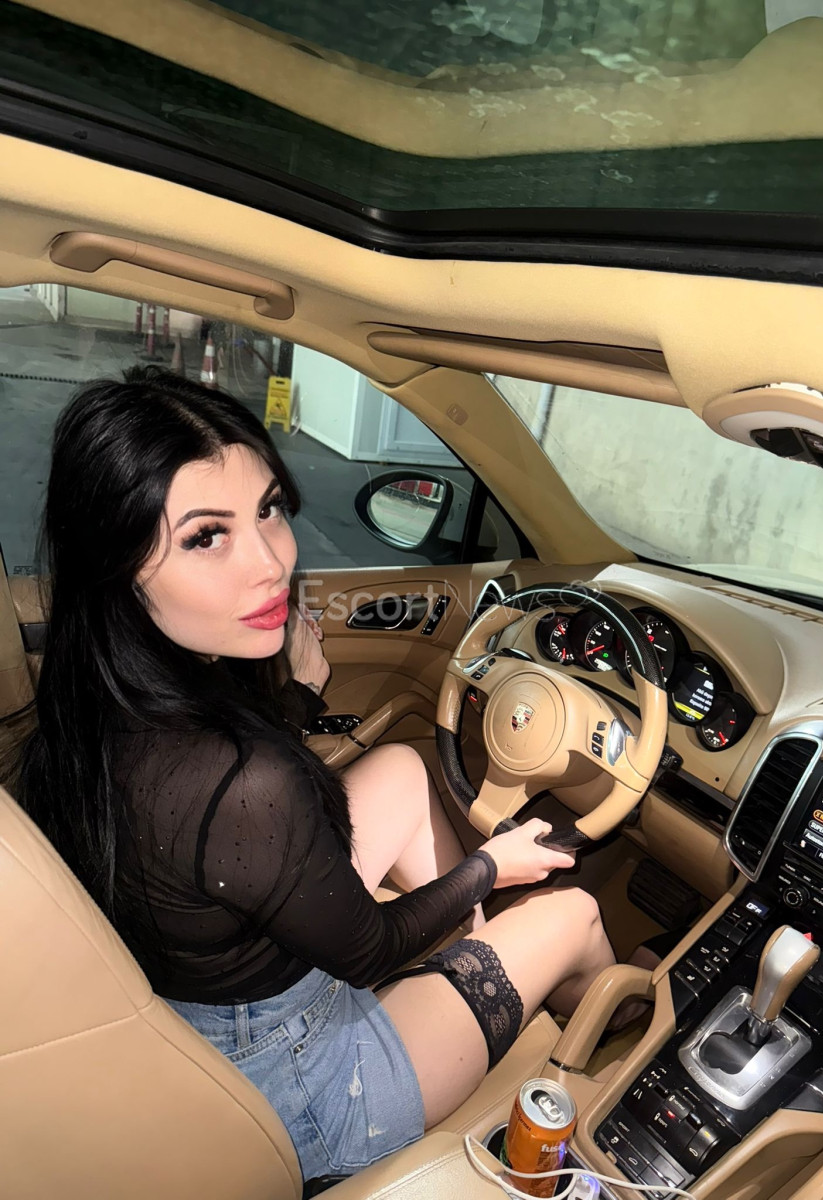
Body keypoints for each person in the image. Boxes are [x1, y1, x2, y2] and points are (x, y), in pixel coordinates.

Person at [13, 367, 618, 1183]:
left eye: (268, 509)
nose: (270, 562)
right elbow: (366, 951)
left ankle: (478, 951)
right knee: (576, 913)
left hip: (199, 1003)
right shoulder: (243, 780)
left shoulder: (92, 696)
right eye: (206, 536)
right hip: (303, 1084)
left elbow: (223, 828)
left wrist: (297, 696)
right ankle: (613, 1060)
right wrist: (490, 866)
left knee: (401, 768)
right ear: (115, 563)